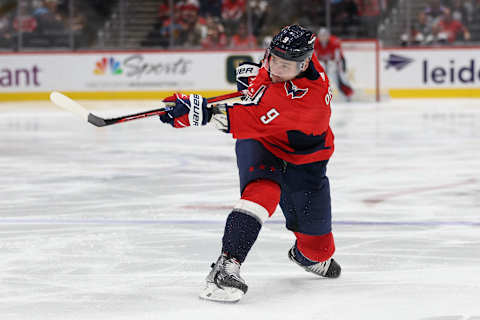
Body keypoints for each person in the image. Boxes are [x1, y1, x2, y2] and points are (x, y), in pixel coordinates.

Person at [159, 25, 341, 302]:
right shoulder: (295, 58)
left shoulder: (308, 99)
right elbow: (257, 113)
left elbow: (247, 117)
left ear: (304, 65)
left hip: (307, 162)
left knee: (318, 250)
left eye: (286, 66)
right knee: (262, 192)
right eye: (273, 60)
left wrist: (199, 113)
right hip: (263, 143)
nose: (277, 69)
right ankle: (225, 267)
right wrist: (257, 75)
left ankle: (305, 256)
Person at [314, 27, 353, 100]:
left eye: (325, 35)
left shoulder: (334, 42)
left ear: (328, 36)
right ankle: (318, 95)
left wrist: (337, 70)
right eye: (321, 36)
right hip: (324, 62)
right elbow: (314, 58)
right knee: (319, 79)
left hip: (337, 62)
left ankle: (348, 93)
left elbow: (338, 58)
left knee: (341, 77)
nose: (323, 38)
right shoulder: (315, 43)